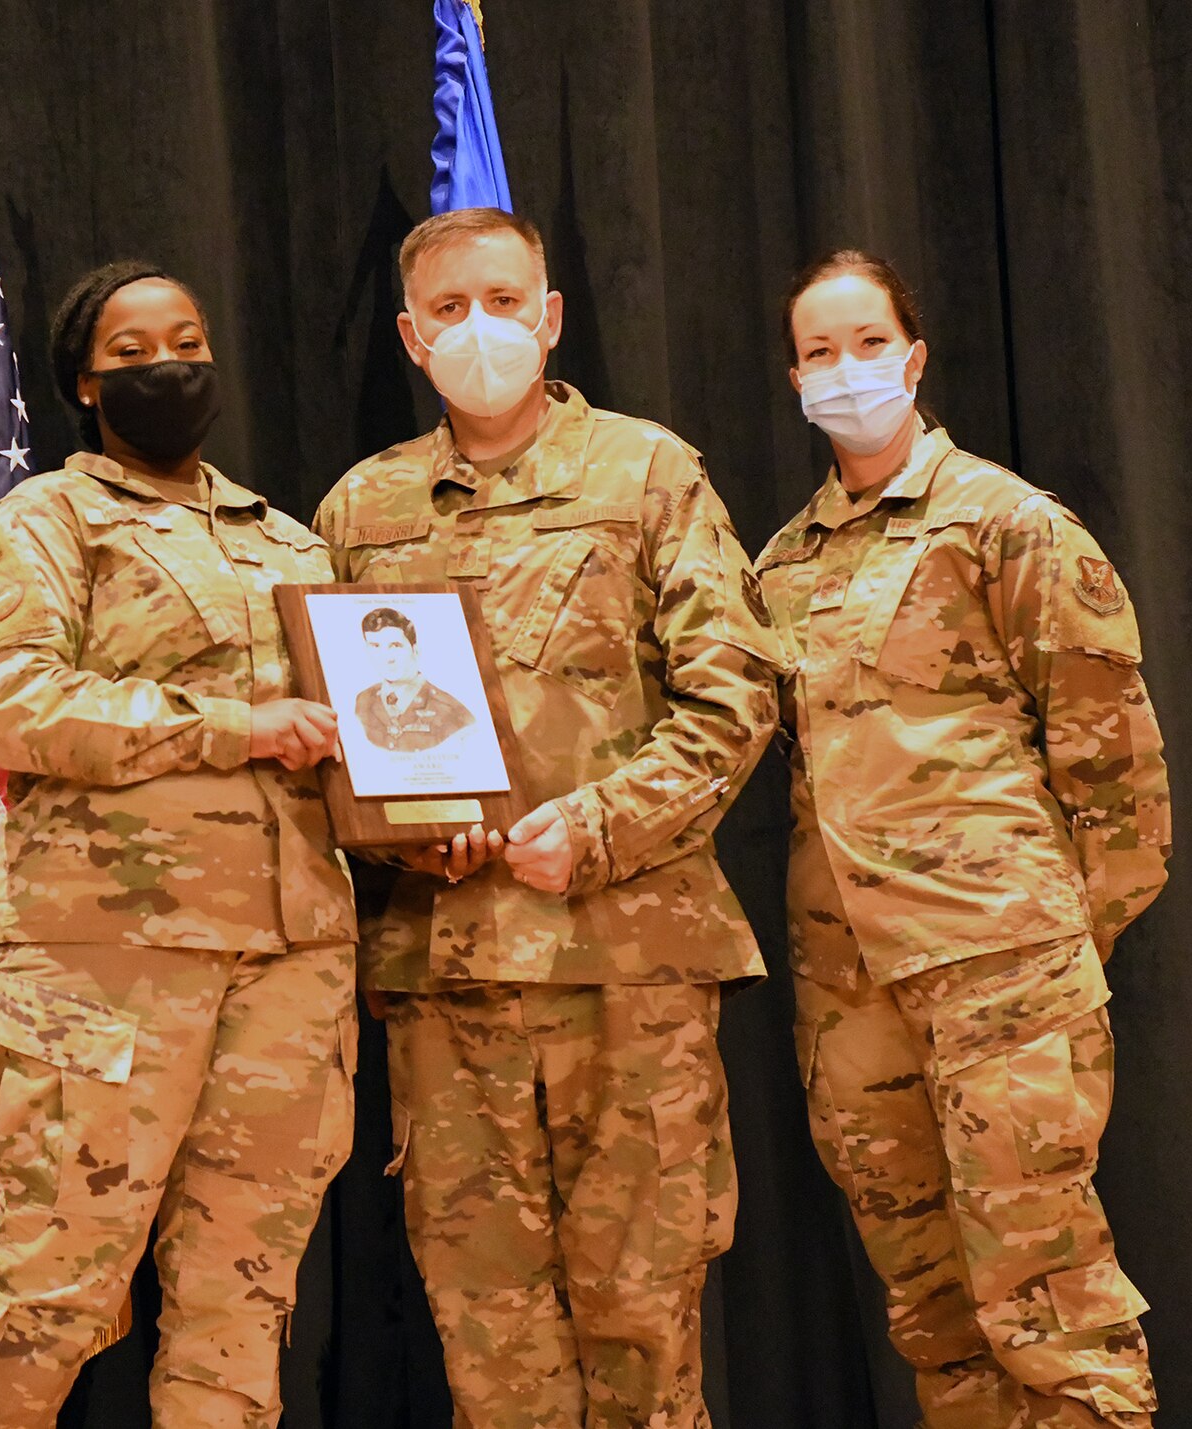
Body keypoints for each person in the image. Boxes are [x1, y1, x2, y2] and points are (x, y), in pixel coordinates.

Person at [314, 208, 782, 1429]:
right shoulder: (361, 511)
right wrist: (399, 833)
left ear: (551, 314)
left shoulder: (645, 471)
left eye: (505, 301)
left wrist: (599, 825)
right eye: (452, 310)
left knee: (642, 1330)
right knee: (492, 1348)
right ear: (412, 337)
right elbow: (329, 742)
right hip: (447, 976)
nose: (484, 329)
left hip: (628, 969)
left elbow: (735, 691)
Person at [0, 262, 358, 1429]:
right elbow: (11, 703)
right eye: (132, 348)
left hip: (289, 959)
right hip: (103, 963)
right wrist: (233, 727)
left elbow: (363, 732)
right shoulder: (47, 522)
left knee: (241, 1302)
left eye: (188, 338)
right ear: (85, 385)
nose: (167, 364)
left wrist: (424, 807)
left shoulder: (293, 544)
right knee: (55, 1277)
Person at [755, 249, 1169, 1429]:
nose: (846, 370)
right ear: (793, 375)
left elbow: (1115, 768)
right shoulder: (782, 563)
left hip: (1001, 975)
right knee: (931, 1307)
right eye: (820, 352)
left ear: (914, 354)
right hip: (851, 992)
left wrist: (1048, 952)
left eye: (868, 344)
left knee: (1047, 1305)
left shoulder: (1006, 525)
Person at [354, 605, 477, 751]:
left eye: (395, 646)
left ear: (415, 650)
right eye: (375, 646)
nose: (386, 658)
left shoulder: (453, 712)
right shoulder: (363, 701)